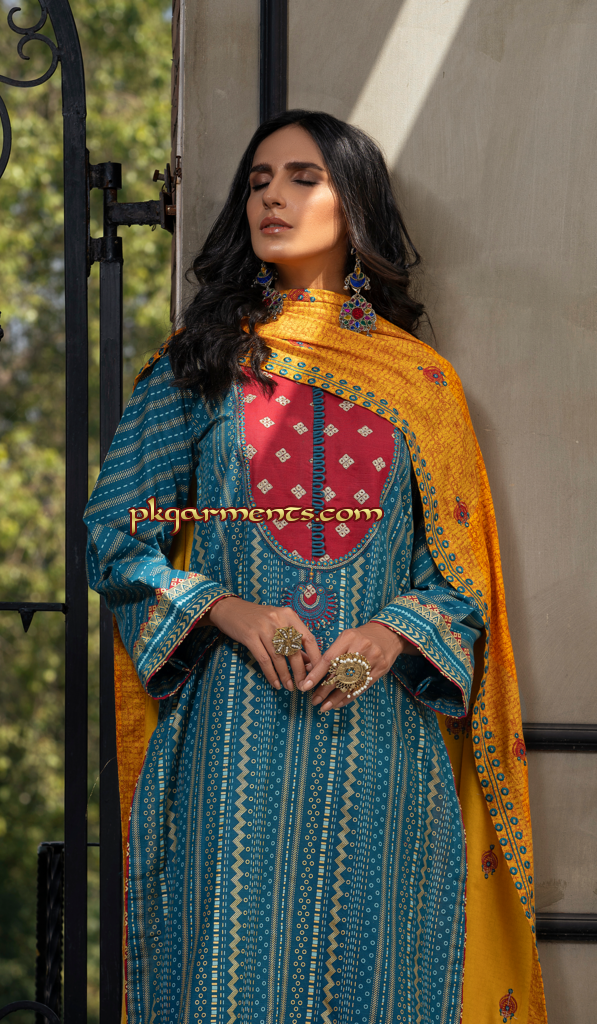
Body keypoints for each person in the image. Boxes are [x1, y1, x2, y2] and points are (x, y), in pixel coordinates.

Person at [84, 110, 546, 1024]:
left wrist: (389, 635)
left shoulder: (421, 385)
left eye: (303, 178)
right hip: (232, 745)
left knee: (377, 983)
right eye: (259, 181)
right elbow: (114, 535)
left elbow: (460, 584)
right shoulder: (201, 365)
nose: (273, 198)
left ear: (354, 203)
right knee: (229, 979)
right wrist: (228, 609)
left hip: (381, 747)